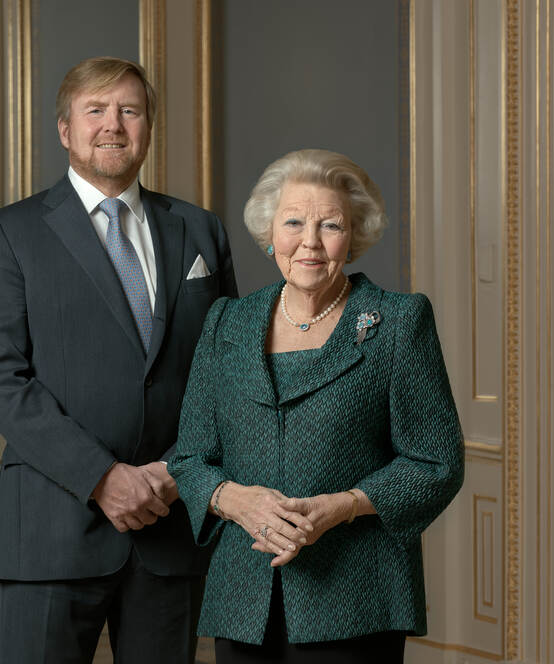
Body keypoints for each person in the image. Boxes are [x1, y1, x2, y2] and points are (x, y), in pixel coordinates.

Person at [0, 56, 237, 663]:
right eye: (96, 110)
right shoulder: (11, 233)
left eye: (130, 110)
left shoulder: (199, 231)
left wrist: (175, 472)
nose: (113, 124)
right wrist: (102, 478)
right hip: (52, 527)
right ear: (65, 129)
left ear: (147, 126)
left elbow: (228, 372)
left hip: (171, 524)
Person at [169, 149, 464, 663]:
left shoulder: (397, 323)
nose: (310, 241)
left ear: (354, 236)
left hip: (355, 598)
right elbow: (189, 458)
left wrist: (344, 505)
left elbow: (437, 463)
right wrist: (234, 500)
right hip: (244, 600)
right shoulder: (227, 323)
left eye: (330, 225)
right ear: (269, 233)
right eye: (293, 222)